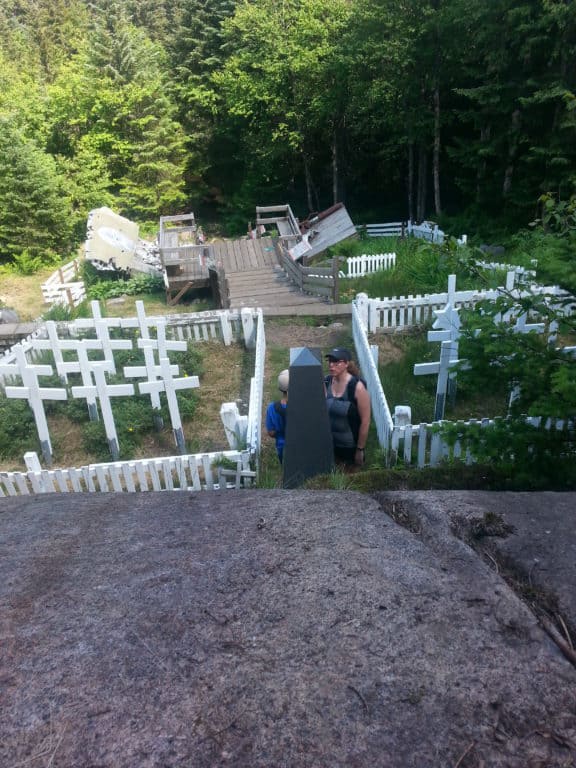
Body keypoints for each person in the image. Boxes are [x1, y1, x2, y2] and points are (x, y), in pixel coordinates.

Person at [324, 348, 371, 467]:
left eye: (336, 362)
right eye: (330, 361)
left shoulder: (357, 388)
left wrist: (360, 450)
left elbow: (365, 421)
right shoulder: (327, 382)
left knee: (350, 482)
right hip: (330, 445)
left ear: (346, 364)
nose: (331, 365)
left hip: (349, 447)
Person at [266, 369, 289, 462]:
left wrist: (279, 434)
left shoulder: (272, 407)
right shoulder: (299, 406)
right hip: (299, 446)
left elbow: (271, 432)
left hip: (282, 447)